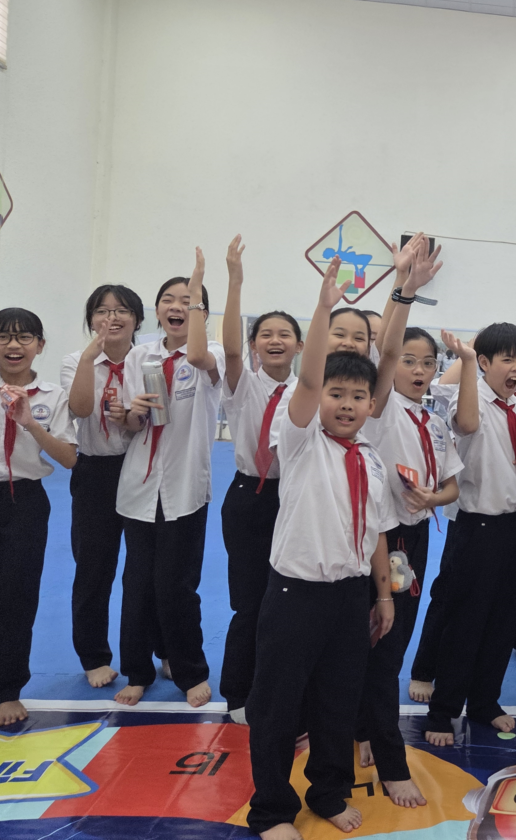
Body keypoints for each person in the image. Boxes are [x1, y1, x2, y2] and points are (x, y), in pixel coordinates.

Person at [245, 256, 396, 840]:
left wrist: (382, 596)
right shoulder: (302, 438)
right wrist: (323, 308)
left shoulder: (372, 458)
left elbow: (376, 531)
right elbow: (307, 382)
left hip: (349, 595)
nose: (348, 404)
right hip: (296, 594)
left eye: (358, 396)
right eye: (337, 393)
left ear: (370, 404)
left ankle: (328, 791)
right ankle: (271, 809)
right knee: (278, 705)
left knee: (338, 702)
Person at [0, 232, 78, 736]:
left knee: (16, 601)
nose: (13, 344)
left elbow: (69, 458)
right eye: (3, 336)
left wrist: (31, 424)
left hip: (25, 502)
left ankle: (9, 691)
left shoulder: (53, 396)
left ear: (40, 345)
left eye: (24, 337)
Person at [354, 235, 449, 807]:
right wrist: (403, 289)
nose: (415, 368)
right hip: (373, 538)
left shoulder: (429, 416)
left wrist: (434, 496)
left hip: (407, 542)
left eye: (426, 361)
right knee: (369, 644)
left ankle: (369, 731)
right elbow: (385, 353)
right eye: (407, 360)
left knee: (388, 645)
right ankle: (382, 750)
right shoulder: (378, 405)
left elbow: (453, 481)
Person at [113, 251, 224, 707]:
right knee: (137, 584)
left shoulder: (210, 354)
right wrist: (133, 413)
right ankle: (137, 670)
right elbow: (128, 424)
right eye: (168, 300)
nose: (177, 306)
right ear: (156, 310)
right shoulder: (139, 355)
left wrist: (198, 283)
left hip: (184, 488)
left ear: (201, 311)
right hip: (139, 485)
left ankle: (188, 668)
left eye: (189, 301)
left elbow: (196, 354)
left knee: (176, 585)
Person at [423, 321, 516, 746]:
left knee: (503, 622)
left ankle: (485, 702)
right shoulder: (469, 397)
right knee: (465, 622)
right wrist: (467, 361)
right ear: (485, 362)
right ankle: (443, 710)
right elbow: (468, 424)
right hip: (478, 528)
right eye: (507, 359)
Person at [217, 236, 305, 722]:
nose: (275, 340)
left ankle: (282, 687)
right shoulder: (243, 385)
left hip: (293, 499)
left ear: (299, 345)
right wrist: (235, 280)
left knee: (287, 601)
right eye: (265, 334)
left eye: (284, 334)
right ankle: (238, 692)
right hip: (248, 497)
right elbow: (229, 349)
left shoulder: (307, 391)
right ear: (254, 345)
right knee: (249, 601)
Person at [62, 283, 146, 689]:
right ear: (90, 319)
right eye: (102, 310)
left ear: (137, 320)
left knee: (148, 569)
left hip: (143, 468)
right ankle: (94, 656)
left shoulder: (149, 361)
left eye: (121, 310)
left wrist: (131, 416)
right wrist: (88, 359)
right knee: (94, 568)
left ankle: (159, 648)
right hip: (95, 472)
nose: (111, 317)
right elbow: (79, 410)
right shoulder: (75, 361)